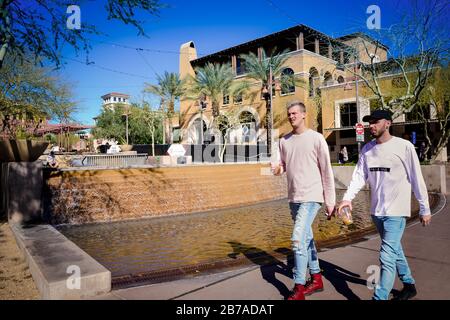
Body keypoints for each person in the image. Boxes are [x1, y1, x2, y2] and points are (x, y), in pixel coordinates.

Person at [338, 109, 431, 300]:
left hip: (396, 212)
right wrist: (347, 198)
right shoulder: (367, 150)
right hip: (376, 211)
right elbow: (358, 177)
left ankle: (379, 297)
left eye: (375, 122)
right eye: (369, 122)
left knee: (386, 256)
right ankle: (409, 284)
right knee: (394, 249)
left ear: (388, 123)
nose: (371, 126)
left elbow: (417, 179)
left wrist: (425, 208)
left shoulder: (404, 147)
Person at [272, 100, 336, 300]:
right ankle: (316, 278)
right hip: (294, 197)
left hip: (311, 196)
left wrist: (330, 201)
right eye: (289, 114)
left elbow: (326, 171)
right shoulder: (284, 140)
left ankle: (299, 288)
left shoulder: (316, 139)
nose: (291, 117)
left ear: (303, 115)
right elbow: (282, 164)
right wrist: (277, 169)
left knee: (297, 240)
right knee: (307, 239)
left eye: (294, 113)